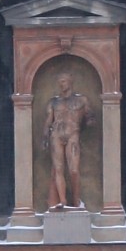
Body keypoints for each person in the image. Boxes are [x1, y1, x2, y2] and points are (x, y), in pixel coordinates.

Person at [43, 70, 91, 209]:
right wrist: (45, 136)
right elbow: (48, 121)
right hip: (56, 135)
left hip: (72, 134)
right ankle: (62, 200)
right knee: (58, 169)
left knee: (73, 169)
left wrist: (87, 122)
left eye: (63, 81)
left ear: (70, 82)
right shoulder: (53, 102)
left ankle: (76, 200)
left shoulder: (81, 100)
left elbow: (90, 116)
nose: (61, 84)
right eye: (59, 82)